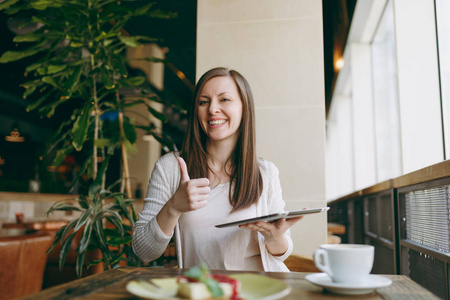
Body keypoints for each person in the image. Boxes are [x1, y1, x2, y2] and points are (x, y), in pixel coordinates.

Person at [132, 67, 303, 272]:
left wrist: (275, 237)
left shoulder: (265, 172)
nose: (212, 109)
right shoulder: (171, 168)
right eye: (204, 102)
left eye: (224, 100)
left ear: (244, 108)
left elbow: (282, 252)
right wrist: (174, 207)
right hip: (205, 290)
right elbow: (143, 251)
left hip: (262, 289)